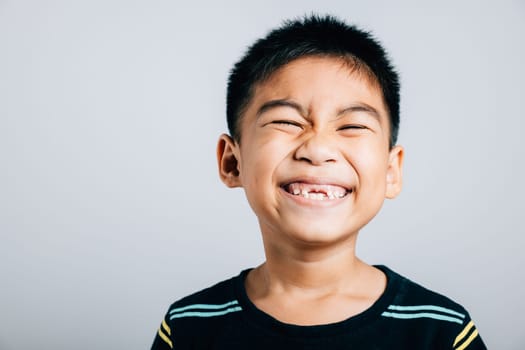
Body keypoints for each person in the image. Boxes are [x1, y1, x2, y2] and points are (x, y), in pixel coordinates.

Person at [150, 15, 487, 349]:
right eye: (286, 121)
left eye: (352, 126)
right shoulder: (188, 327)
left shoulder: (441, 331)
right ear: (231, 161)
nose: (318, 149)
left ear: (390, 171)